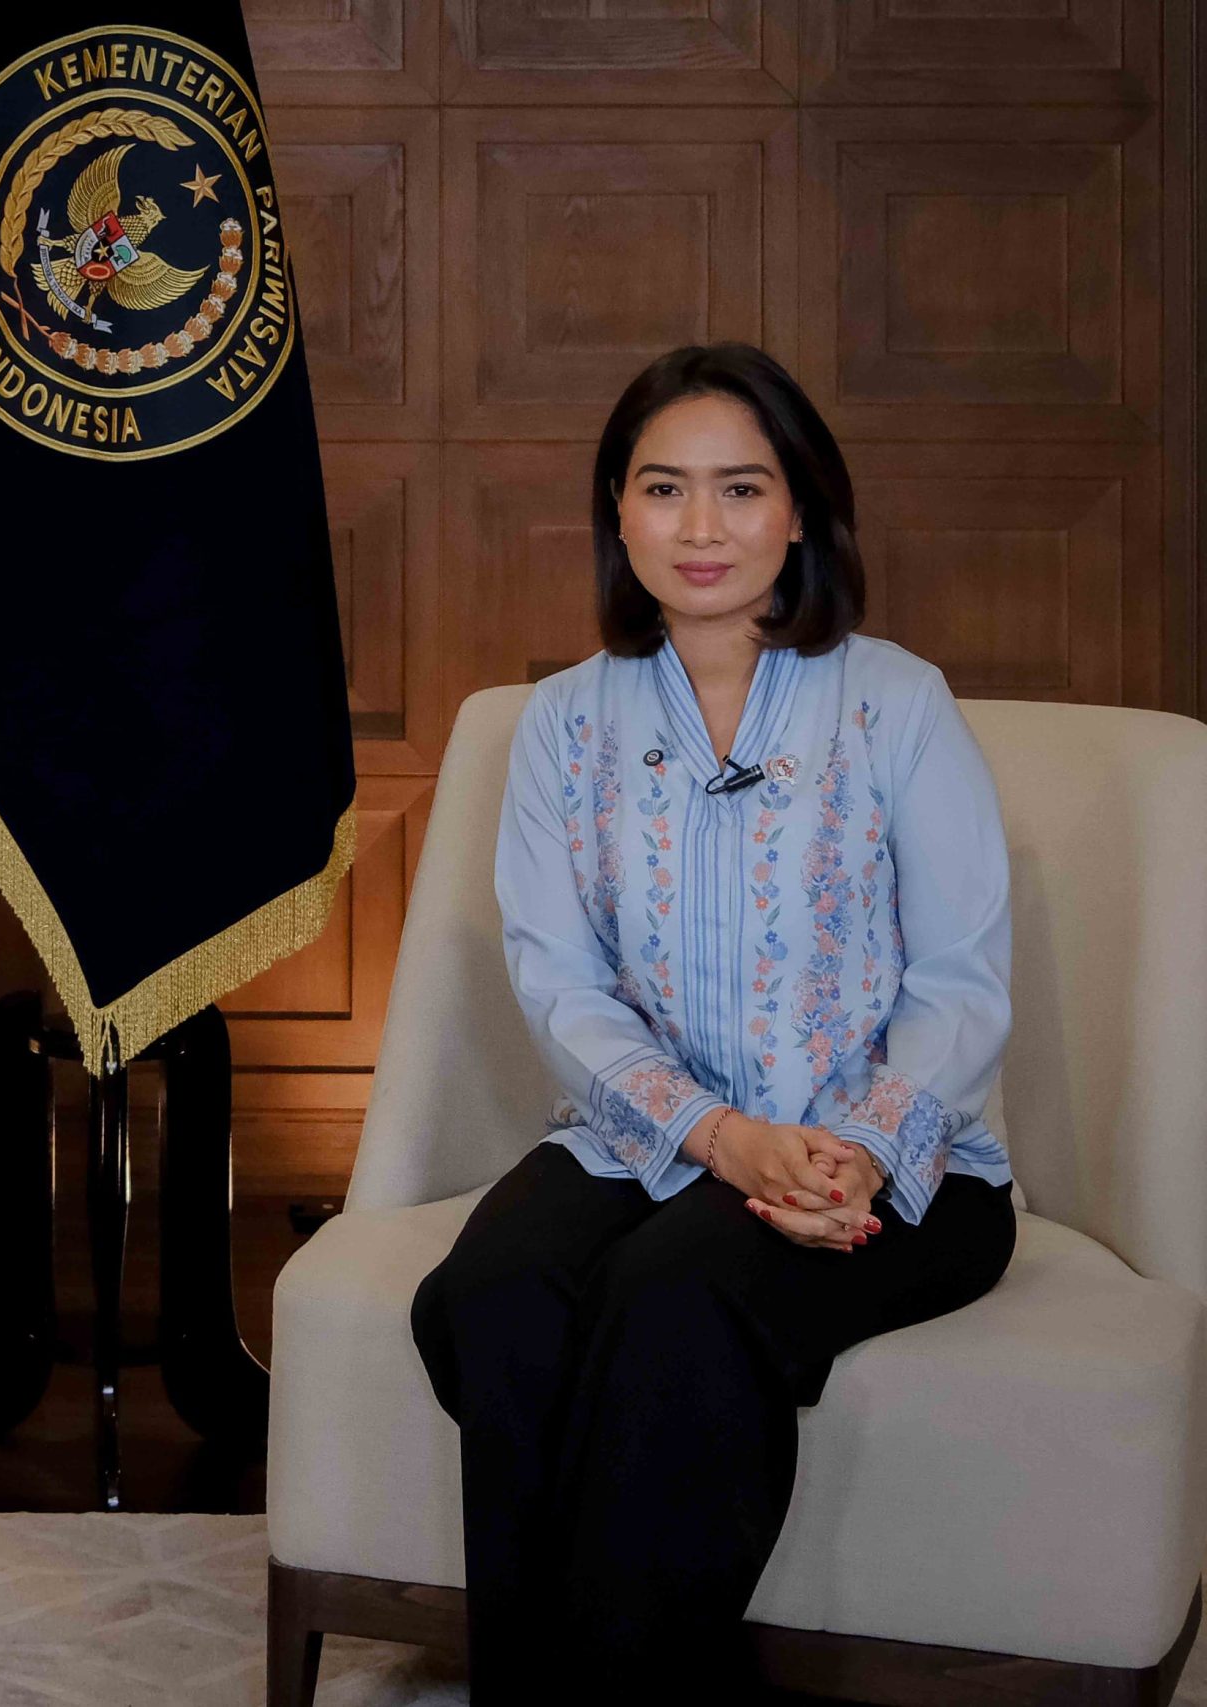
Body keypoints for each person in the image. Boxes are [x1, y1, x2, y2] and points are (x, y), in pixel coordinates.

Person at [407, 343, 1018, 1702]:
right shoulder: (562, 723)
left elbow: (963, 978)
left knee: (675, 1295)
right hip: (647, 1140)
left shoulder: (897, 701)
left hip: (893, 1166)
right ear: (616, 514)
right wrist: (718, 1138)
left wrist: (854, 1154)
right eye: (663, 488)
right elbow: (561, 987)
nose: (701, 527)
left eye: (741, 488)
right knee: (489, 1295)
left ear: (799, 511)